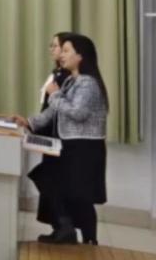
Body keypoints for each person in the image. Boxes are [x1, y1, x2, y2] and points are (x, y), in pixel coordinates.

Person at [14, 33, 108, 246]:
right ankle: (68, 230)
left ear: (80, 56)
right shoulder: (71, 82)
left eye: (66, 51)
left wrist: (55, 95)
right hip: (71, 144)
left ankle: (84, 238)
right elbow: (53, 112)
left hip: (84, 147)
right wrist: (29, 122)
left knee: (79, 193)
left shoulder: (88, 84)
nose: (61, 55)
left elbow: (77, 113)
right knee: (58, 184)